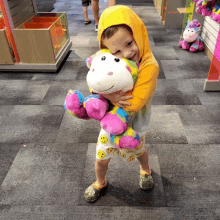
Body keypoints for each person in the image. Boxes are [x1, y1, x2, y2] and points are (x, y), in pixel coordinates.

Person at [84, 5, 159, 203]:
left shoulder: (149, 65)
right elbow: (95, 82)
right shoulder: (106, 59)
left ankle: (145, 170)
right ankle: (100, 182)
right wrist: (105, 95)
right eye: (116, 51)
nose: (126, 53)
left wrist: (109, 97)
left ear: (138, 35)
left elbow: (134, 103)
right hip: (110, 125)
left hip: (136, 124)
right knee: (101, 157)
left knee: (140, 151)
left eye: (129, 43)